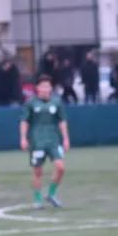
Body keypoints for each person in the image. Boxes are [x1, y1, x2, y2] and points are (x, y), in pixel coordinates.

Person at [20, 75, 71, 208]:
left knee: (60, 167)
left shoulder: (56, 102)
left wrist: (66, 138)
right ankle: (38, 199)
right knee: (37, 171)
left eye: (47, 86)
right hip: (37, 141)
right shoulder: (31, 103)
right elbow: (24, 121)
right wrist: (23, 138)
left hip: (54, 140)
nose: (45, 89)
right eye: (42, 86)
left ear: (50, 88)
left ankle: (51, 194)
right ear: (37, 88)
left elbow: (62, 121)